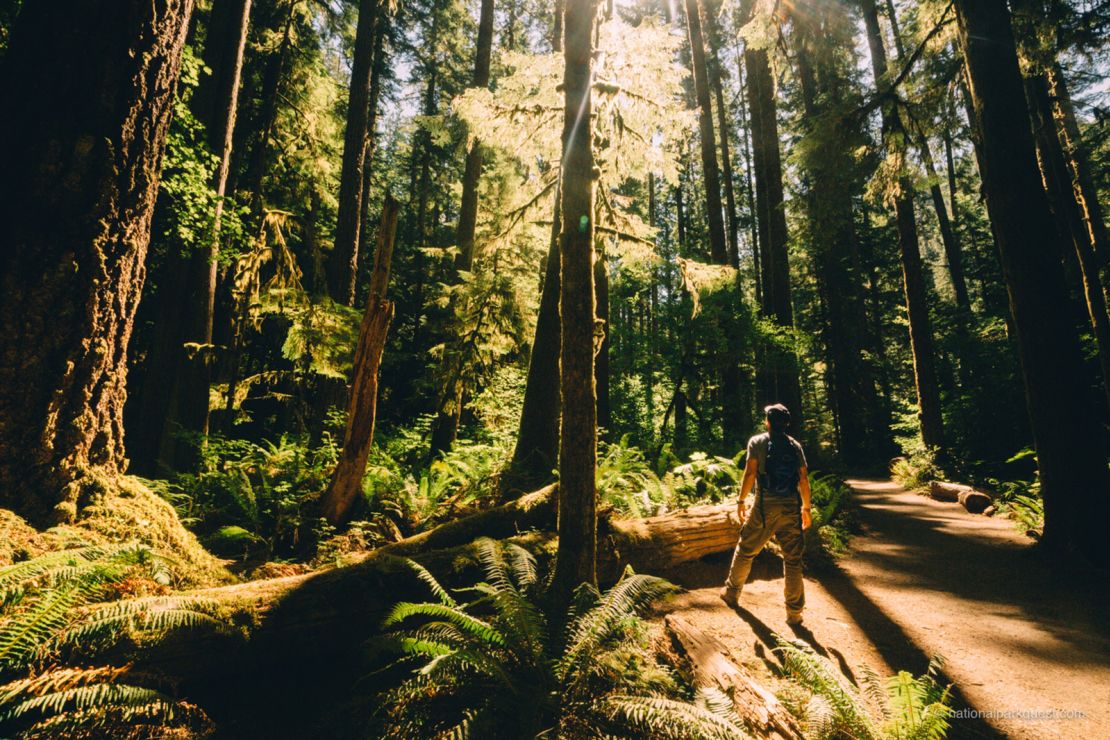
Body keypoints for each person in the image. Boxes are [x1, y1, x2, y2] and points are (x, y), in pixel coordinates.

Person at [720, 404, 812, 625]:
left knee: (746, 549)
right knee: (792, 560)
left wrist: (741, 500)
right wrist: (806, 508)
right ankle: (794, 613)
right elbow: (803, 479)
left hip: (764, 505)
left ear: (767, 422)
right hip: (790, 506)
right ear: (786, 423)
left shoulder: (757, 442)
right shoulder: (795, 445)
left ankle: (732, 594)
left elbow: (750, 472)